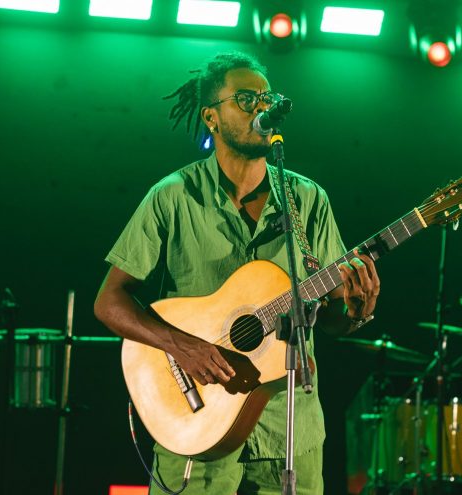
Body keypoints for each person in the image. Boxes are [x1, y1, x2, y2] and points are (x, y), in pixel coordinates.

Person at [93, 51, 381, 495]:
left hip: (290, 430)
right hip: (198, 420)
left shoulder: (308, 200)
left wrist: (355, 314)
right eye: (246, 99)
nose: (261, 109)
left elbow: (328, 317)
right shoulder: (172, 197)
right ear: (212, 117)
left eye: (267, 98)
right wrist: (181, 346)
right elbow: (109, 301)